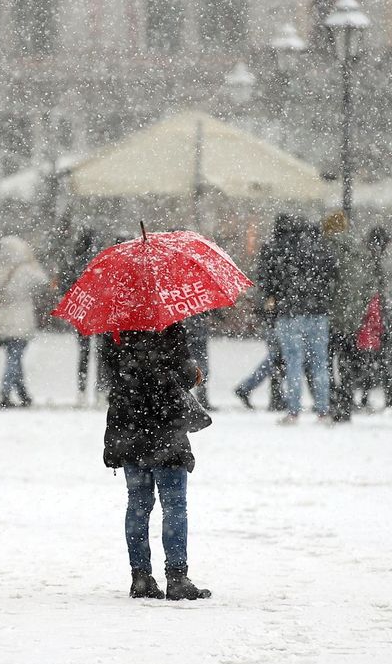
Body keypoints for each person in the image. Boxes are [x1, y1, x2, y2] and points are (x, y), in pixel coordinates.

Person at [101, 322, 211, 601]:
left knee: (138, 503)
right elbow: (183, 375)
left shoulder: (115, 325)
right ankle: (177, 577)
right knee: (174, 503)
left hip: (130, 426)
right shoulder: (169, 324)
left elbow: (112, 374)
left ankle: (140, 577)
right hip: (166, 427)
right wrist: (193, 374)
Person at [259, 217, 336, 424]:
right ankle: (323, 412)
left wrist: (273, 298)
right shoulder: (321, 250)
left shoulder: (278, 250)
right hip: (318, 313)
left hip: (288, 312)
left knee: (293, 363)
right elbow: (333, 276)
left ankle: (293, 411)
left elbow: (267, 280)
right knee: (320, 364)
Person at [321, 210, 375, 422]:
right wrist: (358, 309)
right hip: (352, 317)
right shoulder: (359, 250)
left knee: (325, 363)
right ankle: (345, 403)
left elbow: (326, 284)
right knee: (347, 364)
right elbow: (369, 285)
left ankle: (332, 402)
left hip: (330, 316)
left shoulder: (327, 249)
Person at [234, 215, 292, 410]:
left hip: (270, 309)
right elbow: (272, 280)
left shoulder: (269, 248)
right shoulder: (283, 250)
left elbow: (263, 277)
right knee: (278, 355)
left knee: (277, 354)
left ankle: (271, 394)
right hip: (277, 309)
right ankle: (252, 389)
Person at [0, 236, 48, 408]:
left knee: (14, 357)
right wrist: (32, 261)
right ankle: (5, 392)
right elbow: (43, 280)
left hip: (1, 321)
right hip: (21, 320)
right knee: (15, 358)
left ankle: (23, 393)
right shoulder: (26, 271)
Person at [357, 227, 392, 409]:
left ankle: (374, 394)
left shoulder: (369, 258)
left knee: (372, 357)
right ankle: (383, 394)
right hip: (373, 316)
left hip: (372, 314)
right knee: (377, 356)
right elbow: (373, 287)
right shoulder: (370, 260)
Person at [58, 228, 103, 406]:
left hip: (82, 312)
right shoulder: (99, 262)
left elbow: (65, 286)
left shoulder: (75, 262)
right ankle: (100, 391)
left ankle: (81, 391)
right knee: (100, 355)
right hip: (99, 313)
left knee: (84, 353)